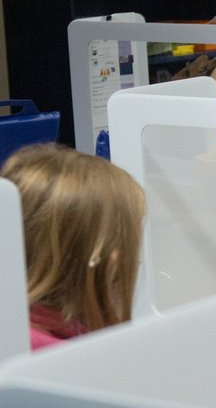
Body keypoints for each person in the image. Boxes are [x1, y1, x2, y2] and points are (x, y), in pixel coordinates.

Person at [1, 144, 145, 350]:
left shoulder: (25, 327)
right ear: (106, 256)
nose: (137, 259)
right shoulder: (52, 355)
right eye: (127, 241)